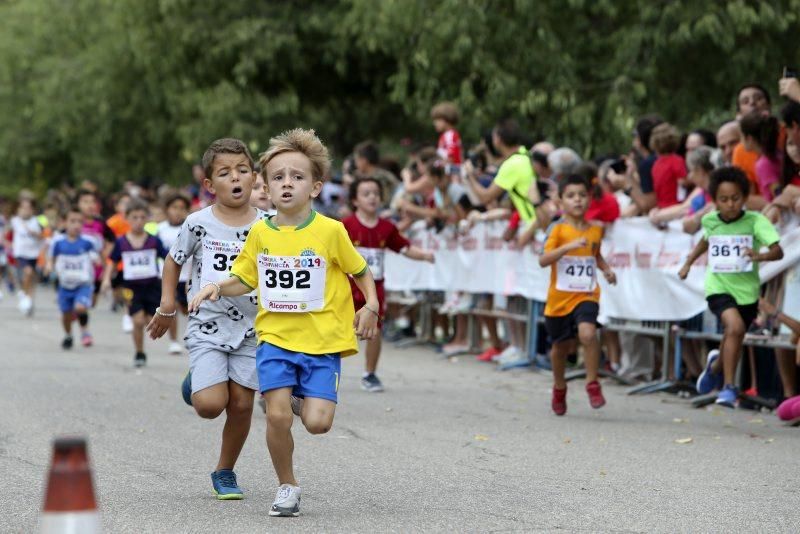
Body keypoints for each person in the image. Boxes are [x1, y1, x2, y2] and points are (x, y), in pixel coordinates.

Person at [189, 128, 380, 518]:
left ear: (315, 186)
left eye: (297, 177)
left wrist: (371, 305)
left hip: (323, 342)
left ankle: (300, 397)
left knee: (317, 423)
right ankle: (287, 486)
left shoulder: (330, 231)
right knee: (275, 415)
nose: (287, 184)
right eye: (278, 178)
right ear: (267, 187)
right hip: (274, 338)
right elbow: (245, 278)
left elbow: (360, 270)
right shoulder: (260, 232)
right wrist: (215, 287)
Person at [146, 138, 263, 501]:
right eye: (226, 173)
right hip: (208, 323)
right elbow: (174, 260)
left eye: (243, 170)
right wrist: (167, 305)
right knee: (210, 406)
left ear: (254, 176)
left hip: (254, 328)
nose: (236, 178)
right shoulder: (198, 223)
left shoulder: (269, 224)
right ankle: (197, 380)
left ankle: (225, 471)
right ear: (210, 185)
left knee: (242, 404)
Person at [679, 167, 783, 407]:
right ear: (714, 201)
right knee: (734, 327)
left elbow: (778, 251)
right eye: (723, 200)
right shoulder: (710, 220)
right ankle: (728, 387)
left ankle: (715, 365)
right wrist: (688, 263)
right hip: (719, 286)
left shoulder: (756, 221)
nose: (730, 204)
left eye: (735, 198)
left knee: (734, 333)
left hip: (747, 291)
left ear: (744, 198)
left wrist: (759, 256)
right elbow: (706, 241)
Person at [343, 177, 434, 392]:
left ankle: (370, 374)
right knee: (335, 329)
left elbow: (404, 247)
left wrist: (424, 256)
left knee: (374, 331)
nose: (372, 197)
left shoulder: (387, 228)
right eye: (366, 193)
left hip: (375, 290)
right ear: (355, 200)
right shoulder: (344, 226)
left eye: (375, 193)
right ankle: (324, 371)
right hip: (347, 288)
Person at [539, 174, 617, 416]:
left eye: (582, 195)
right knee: (560, 347)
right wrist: (566, 248)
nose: (577, 200)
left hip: (586, 293)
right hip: (559, 299)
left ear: (589, 199)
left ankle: (592, 383)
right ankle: (559, 387)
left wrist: (606, 270)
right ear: (561, 200)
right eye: (571, 196)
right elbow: (543, 260)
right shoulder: (557, 229)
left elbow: (595, 254)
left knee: (588, 333)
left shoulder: (595, 230)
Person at [102, 199, 167, 367]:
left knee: (148, 321)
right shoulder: (121, 242)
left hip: (152, 285)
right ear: (127, 219)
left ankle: (142, 341)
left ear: (147, 219)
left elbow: (168, 259)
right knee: (137, 321)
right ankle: (139, 352)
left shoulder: (154, 241)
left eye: (142, 217)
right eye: (134, 217)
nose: (138, 221)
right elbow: (112, 262)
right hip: (131, 287)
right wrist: (106, 280)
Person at [45, 208, 100, 349]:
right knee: (66, 315)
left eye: (80, 222)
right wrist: (49, 266)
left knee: (80, 308)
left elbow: (98, 255)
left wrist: (99, 262)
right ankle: (68, 335)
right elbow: (51, 257)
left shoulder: (88, 241)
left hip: (83, 283)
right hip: (65, 284)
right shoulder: (57, 241)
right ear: (64, 223)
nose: (76, 225)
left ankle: (85, 331)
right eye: (72, 221)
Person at [156, 192, 192, 355]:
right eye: (174, 207)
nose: (178, 211)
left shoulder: (191, 227)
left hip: (189, 277)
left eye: (182, 208)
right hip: (169, 278)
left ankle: (192, 336)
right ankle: (173, 341)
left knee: (189, 310)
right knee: (173, 307)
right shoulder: (159, 229)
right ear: (167, 209)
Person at [648, 146, 715, 228]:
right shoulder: (702, 191)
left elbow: (684, 210)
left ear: (700, 170)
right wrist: (658, 214)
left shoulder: (715, 192)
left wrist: (657, 215)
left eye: (691, 171)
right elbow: (684, 209)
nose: (689, 176)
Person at [10, 197, 43, 316]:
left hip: (34, 253)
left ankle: (28, 300)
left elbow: (44, 235)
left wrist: (33, 233)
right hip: (20, 254)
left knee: (31, 279)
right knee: (28, 273)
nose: (25, 210)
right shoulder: (15, 220)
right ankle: (24, 295)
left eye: (28, 208)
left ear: (33, 210)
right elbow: (7, 234)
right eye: (23, 208)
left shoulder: (38, 221)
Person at [739, 112, 782, 201]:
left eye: (741, 136)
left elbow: (778, 194)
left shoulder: (764, 164)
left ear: (749, 138)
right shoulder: (778, 153)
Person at [649, 123, 686, 208]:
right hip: (675, 205)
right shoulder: (677, 160)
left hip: (661, 206)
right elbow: (682, 182)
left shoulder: (656, 164)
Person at [351, 140, 399, 207]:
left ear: (364, 161)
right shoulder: (364, 176)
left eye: (357, 160)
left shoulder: (382, 178)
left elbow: (383, 203)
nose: (356, 163)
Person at [431, 101, 463, 168]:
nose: (435, 123)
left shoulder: (450, 135)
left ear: (447, 119)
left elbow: (450, 158)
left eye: (438, 120)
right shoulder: (444, 136)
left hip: (452, 173)